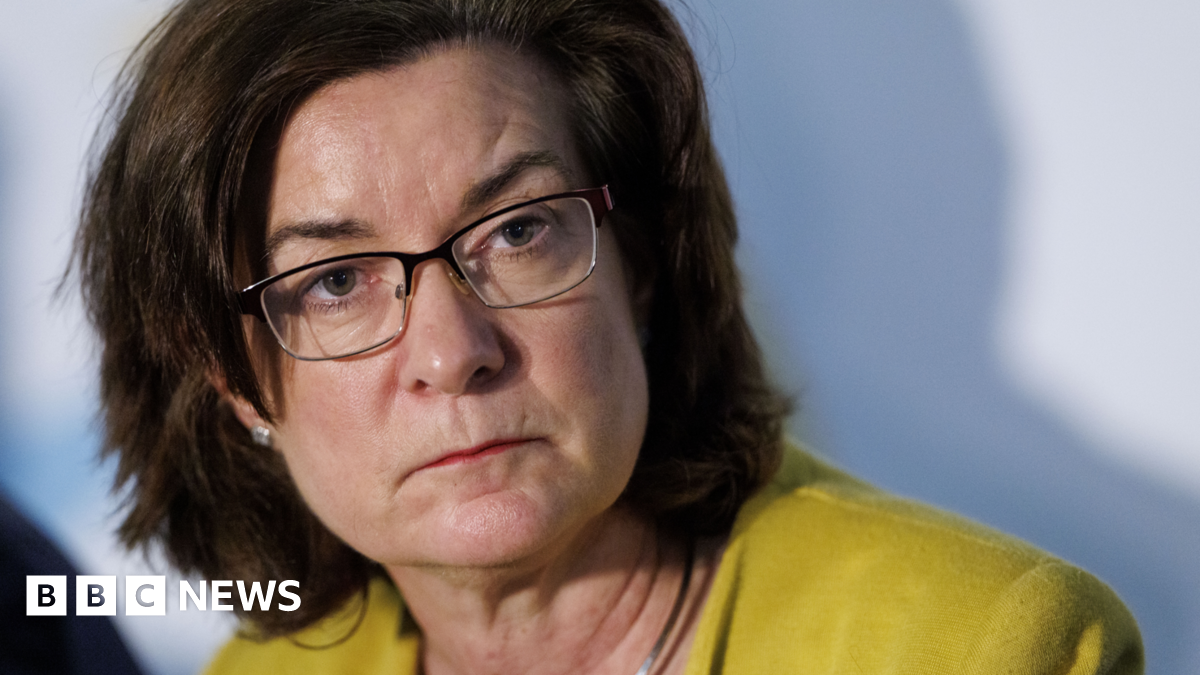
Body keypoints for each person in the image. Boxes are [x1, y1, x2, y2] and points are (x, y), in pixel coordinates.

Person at [71, 0, 1143, 673]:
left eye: (519, 230)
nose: (453, 353)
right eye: (337, 281)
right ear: (236, 381)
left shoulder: (985, 648)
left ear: (643, 264)